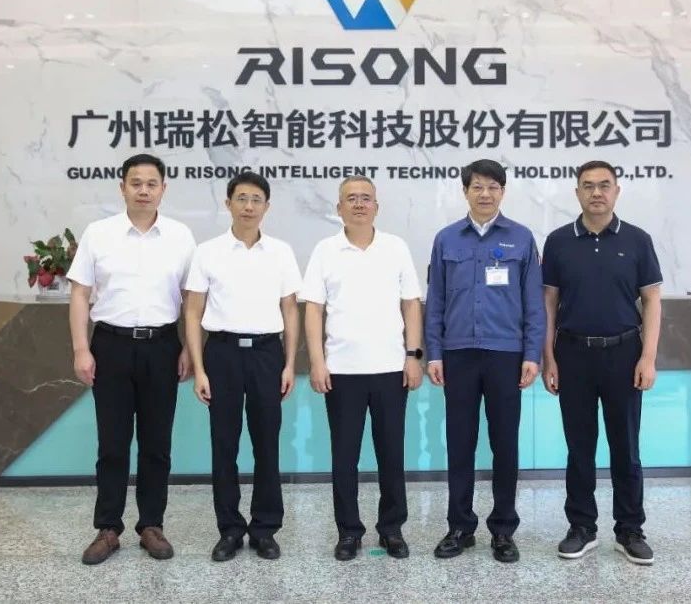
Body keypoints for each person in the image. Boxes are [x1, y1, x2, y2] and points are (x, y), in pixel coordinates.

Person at [68, 153, 196, 565]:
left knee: (157, 443)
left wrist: (189, 350)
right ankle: (108, 528)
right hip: (111, 346)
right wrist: (81, 348)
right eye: (136, 183)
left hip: (163, 346)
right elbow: (79, 294)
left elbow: (193, 300)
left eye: (151, 183)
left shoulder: (180, 236)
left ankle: (151, 525)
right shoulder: (99, 233)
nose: (144, 190)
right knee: (112, 443)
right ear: (122, 187)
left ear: (163, 189)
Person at [540, 160, 662, 566]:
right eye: (588, 185)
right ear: (577, 192)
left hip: (624, 353)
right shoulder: (559, 241)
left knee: (626, 447)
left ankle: (630, 529)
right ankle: (581, 526)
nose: (596, 192)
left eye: (604, 185)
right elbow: (548, 302)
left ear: (616, 191)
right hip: (572, 354)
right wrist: (548, 357)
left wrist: (648, 357)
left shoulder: (638, 240)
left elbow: (652, 300)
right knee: (579, 447)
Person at [425, 158, 543, 563]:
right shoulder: (446, 239)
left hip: (505, 354)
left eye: (493, 186)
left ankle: (503, 530)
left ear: (503, 192)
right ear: (465, 192)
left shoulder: (521, 238)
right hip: (458, 354)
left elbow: (533, 302)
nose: (485, 193)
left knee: (504, 444)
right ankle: (460, 527)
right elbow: (435, 302)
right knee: (460, 443)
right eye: (477, 186)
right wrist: (434, 352)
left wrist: (532, 354)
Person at [301, 176, 424, 562]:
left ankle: (392, 529)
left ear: (376, 206)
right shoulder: (325, 250)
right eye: (351, 199)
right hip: (342, 371)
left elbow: (411, 304)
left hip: (391, 369)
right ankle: (348, 532)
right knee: (344, 456)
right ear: (339, 208)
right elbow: (313, 309)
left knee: (391, 454)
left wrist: (413, 355)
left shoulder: (395, 247)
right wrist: (318, 361)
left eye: (365, 198)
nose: (359, 204)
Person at [184, 171, 300, 561]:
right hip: (222, 353)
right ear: (228, 203)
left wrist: (289, 364)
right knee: (224, 445)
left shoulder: (281, 252)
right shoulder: (208, 252)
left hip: (267, 354)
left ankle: (265, 529)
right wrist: (199, 369)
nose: (249, 206)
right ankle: (230, 529)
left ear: (267, 206)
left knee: (267, 443)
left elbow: (290, 310)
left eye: (256, 200)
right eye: (242, 198)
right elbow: (193, 311)